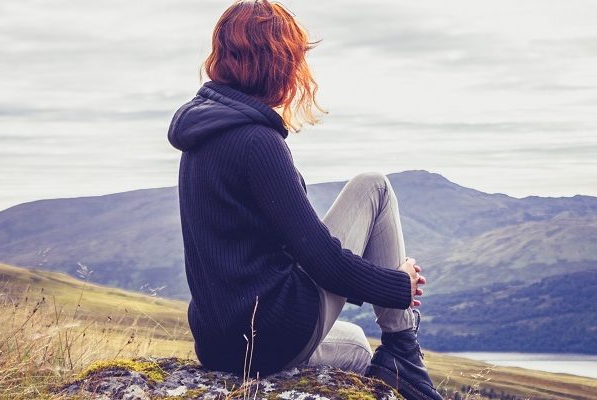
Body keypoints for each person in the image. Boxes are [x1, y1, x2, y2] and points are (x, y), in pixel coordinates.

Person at [167, 1, 442, 399]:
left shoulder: (200, 136)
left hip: (220, 344)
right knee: (373, 185)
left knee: (356, 346)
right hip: (270, 333)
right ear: (276, 62)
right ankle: (402, 347)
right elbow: (322, 261)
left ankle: (391, 364)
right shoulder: (257, 143)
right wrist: (398, 284)